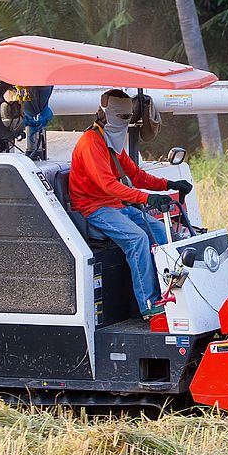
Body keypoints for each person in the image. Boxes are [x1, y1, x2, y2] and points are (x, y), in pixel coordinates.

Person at [69, 89, 192, 320]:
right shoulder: (91, 143)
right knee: (137, 239)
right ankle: (149, 304)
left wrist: (169, 184)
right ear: (104, 114)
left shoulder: (112, 143)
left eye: (128, 117)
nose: (126, 121)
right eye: (122, 117)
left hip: (114, 205)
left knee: (160, 233)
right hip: (93, 208)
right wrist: (147, 198)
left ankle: (173, 293)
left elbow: (136, 175)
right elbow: (108, 185)